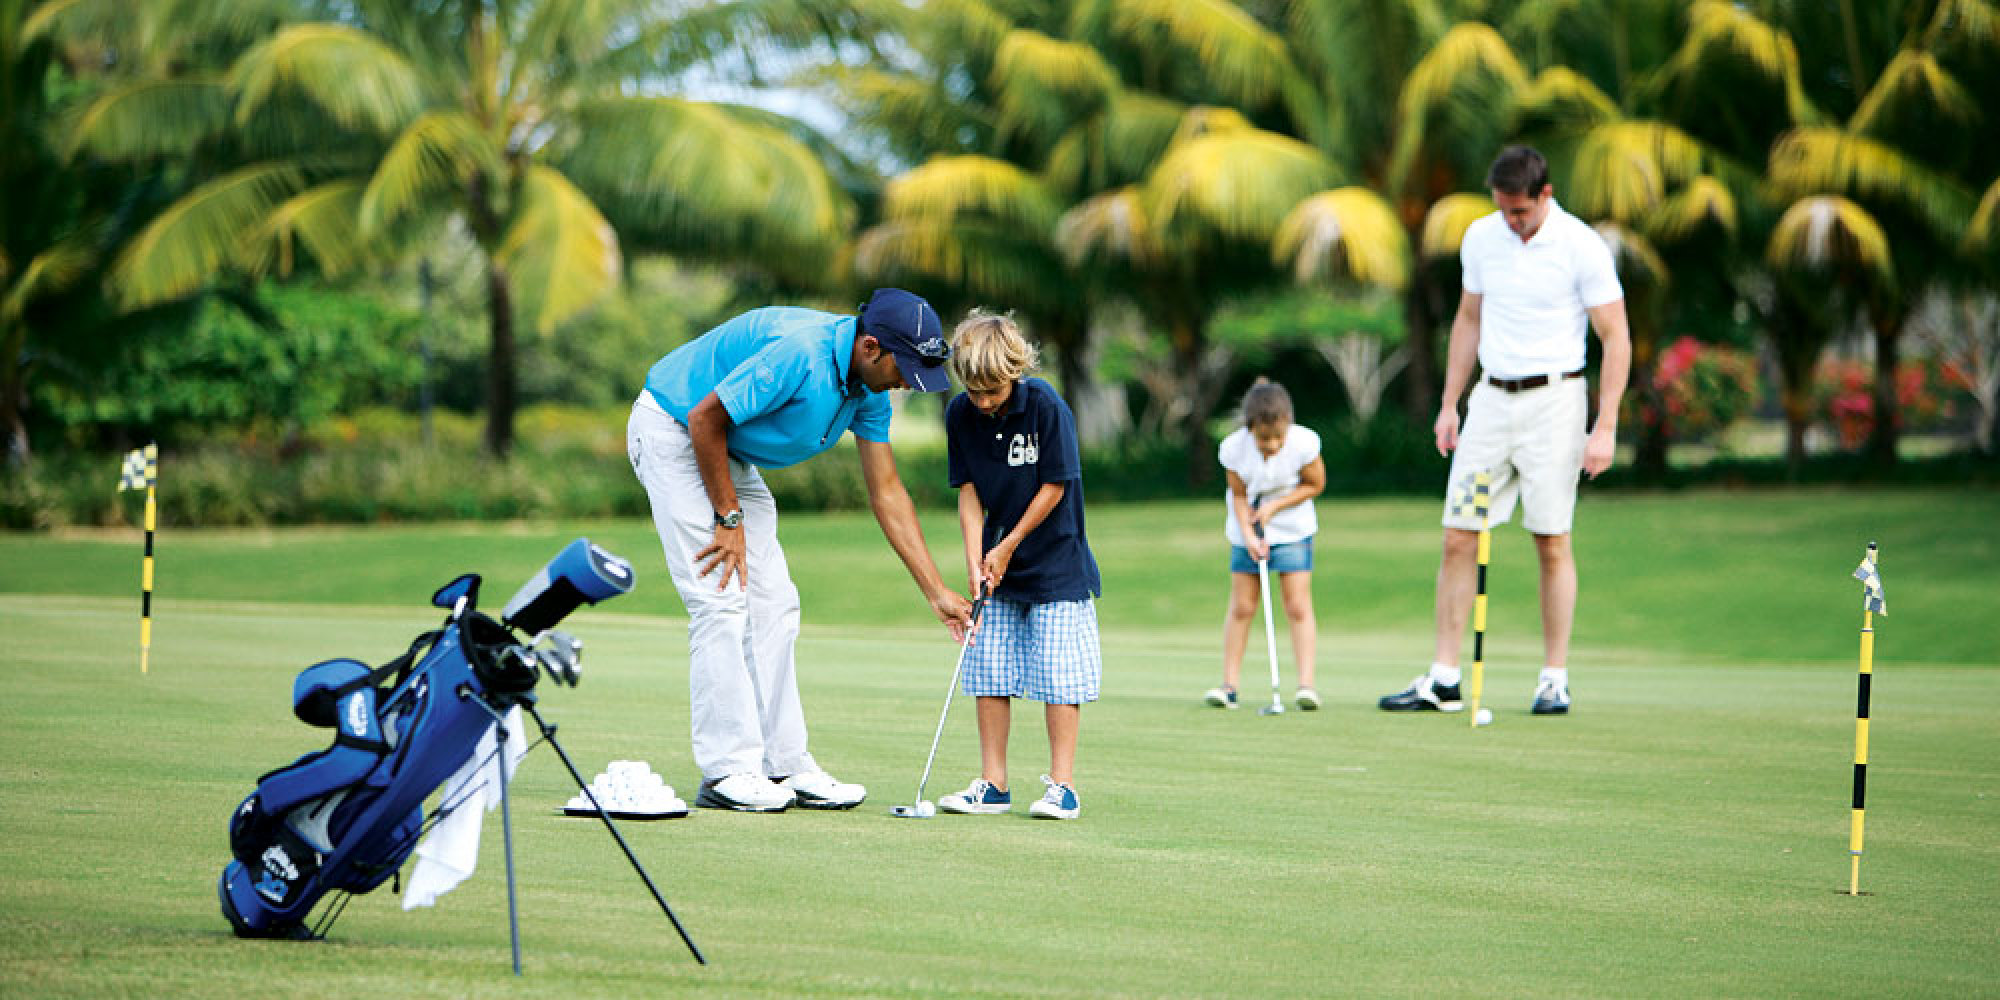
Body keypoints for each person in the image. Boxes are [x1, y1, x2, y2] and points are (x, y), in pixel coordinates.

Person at [627, 288, 975, 813]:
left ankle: (784, 763)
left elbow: (886, 492)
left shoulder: (868, 389)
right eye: (904, 368)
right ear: (872, 347)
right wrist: (728, 518)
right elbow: (705, 418)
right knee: (720, 599)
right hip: (675, 430)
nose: (907, 382)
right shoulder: (800, 353)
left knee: (776, 603)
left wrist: (935, 591)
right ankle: (726, 771)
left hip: (726, 450)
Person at [1378, 144, 1630, 717]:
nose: (1511, 222)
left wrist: (1605, 425)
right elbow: (1469, 318)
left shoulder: (1580, 245)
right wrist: (1450, 404)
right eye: (1503, 209)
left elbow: (1616, 336)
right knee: (1457, 533)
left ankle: (1553, 677)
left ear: (1545, 195)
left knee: (1551, 539)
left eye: (1520, 211)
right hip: (1491, 403)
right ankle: (1444, 677)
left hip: (1557, 405)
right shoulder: (1482, 237)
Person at [932, 311, 1102, 821]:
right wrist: (974, 559)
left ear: (1014, 371)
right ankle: (993, 784)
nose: (983, 402)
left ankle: (1062, 787)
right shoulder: (961, 414)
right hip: (995, 566)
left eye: (993, 392)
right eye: (974, 391)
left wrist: (1006, 547)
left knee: (1058, 675)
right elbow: (968, 495)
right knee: (988, 670)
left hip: (1056, 561)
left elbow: (1055, 487)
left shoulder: (1046, 406)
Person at [1204, 378, 1325, 711]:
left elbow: (1315, 484)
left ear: (1288, 423)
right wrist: (1248, 534)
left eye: (1278, 437)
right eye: (1263, 438)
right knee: (1243, 606)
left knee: (1297, 605)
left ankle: (1306, 685)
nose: (1272, 445)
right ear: (1250, 428)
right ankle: (1229, 686)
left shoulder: (1303, 443)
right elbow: (1239, 494)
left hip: (1293, 527)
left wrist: (1274, 508)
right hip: (1245, 528)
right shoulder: (1233, 448)